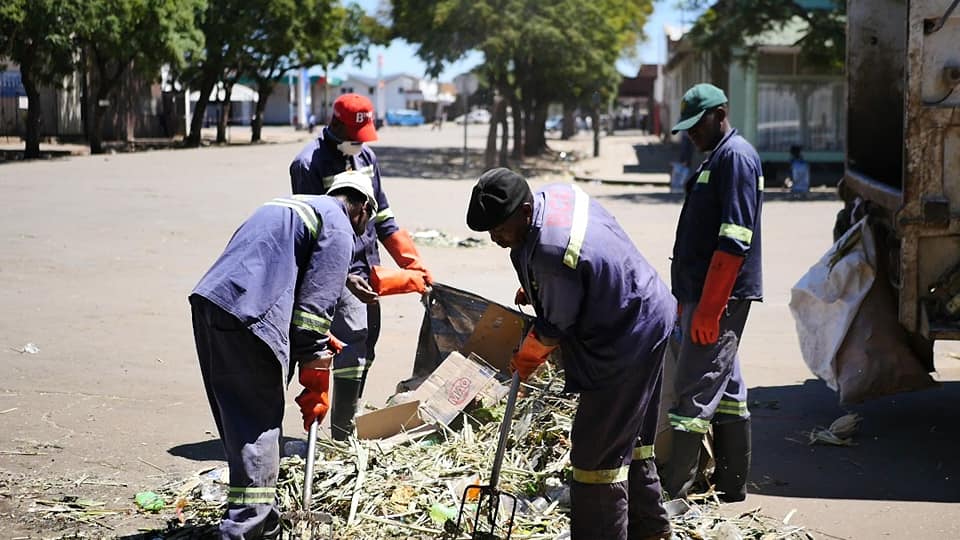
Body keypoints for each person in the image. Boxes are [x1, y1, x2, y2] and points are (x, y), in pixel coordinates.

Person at [466, 168, 676, 540]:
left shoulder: (552, 254)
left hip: (625, 336)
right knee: (632, 440)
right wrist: (540, 288)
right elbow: (587, 262)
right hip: (647, 308)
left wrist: (528, 355)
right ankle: (650, 530)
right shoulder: (558, 195)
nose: (496, 239)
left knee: (596, 455)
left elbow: (555, 325)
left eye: (500, 229)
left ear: (525, 211)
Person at [189, 170, 378, 539]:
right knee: (258, 424)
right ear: (362, 209)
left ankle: (265, 519)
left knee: (239, 419)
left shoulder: (296, 205)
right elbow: (312, 314)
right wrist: (316, 369)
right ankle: (244, 527)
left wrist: (340, 283)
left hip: (213, 303)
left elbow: (278, 262)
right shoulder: (340, 224)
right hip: (250, 317)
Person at [289, 93, 433, 440]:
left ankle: (348, 422)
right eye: (354, 135)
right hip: (338, 272)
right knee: (350, 346)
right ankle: (340, 435)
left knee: (366, 348)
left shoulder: (366, 157)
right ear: (335, 124)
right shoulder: (308, 164)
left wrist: (414, 266)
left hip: (370, 270)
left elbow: (383, 217)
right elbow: (317, 230)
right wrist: (345, 277)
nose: (359, 143)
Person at [661, 83, 763, 503]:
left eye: (696, 124)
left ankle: (673, 493)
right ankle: (732, 484)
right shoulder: (717, 157)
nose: (690, 133)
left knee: (694, 387)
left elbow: (735, 241)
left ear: (720, 114)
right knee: (726, 384)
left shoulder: (735, 157)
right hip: (702, 296)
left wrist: (709, 308)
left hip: (718, 297)